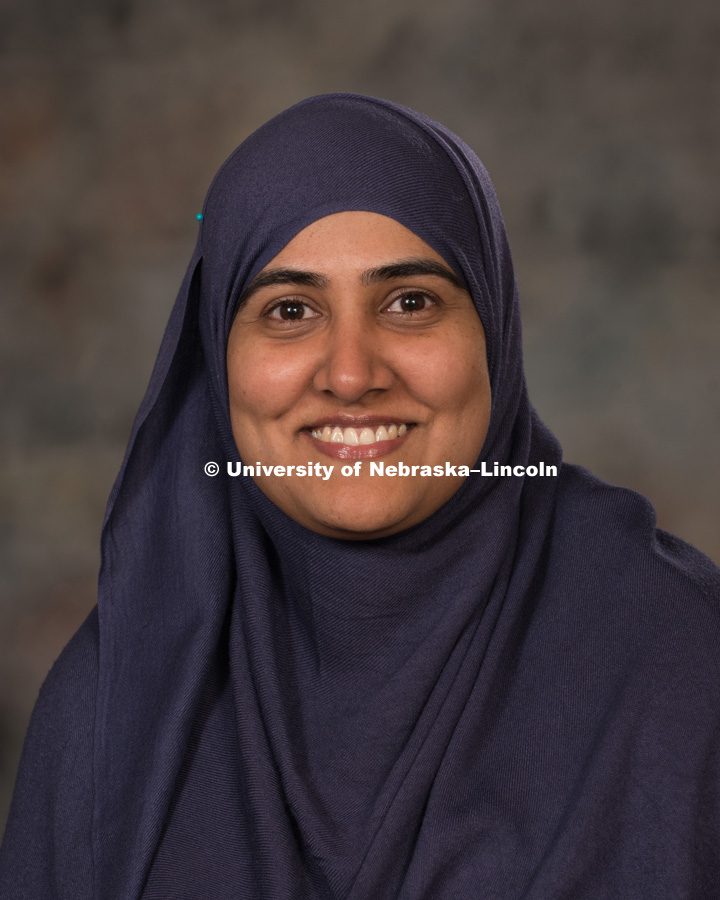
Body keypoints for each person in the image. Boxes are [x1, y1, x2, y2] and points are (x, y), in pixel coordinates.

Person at [1, 93, 719, 899]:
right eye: (290, 310)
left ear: (497, 333)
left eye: (409, 303)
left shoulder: (688, 663)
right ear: (216, 354)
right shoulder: (117, 699)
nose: (350, 375)